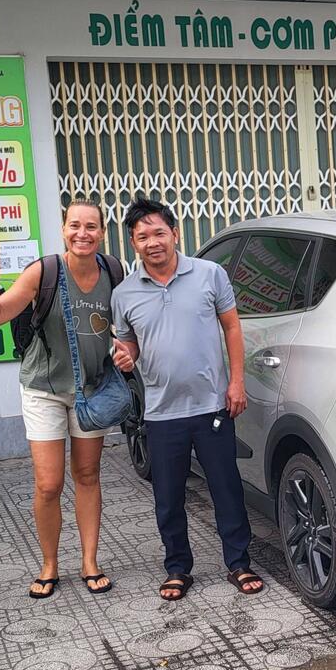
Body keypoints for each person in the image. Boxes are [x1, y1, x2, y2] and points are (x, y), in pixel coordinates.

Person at [112, 196, 264, 602]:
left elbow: (232, 328)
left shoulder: (210, 274)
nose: (152, 242)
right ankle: (177, 568)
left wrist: (236, 383)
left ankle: (239, 563)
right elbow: (129, 349)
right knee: (168, 497)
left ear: (175, 234)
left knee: (226, 488)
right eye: (142, 236)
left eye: (159, 232)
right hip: (162, 412)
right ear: (133, 243)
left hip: (213, 405)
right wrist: (126, 357)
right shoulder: (125, 293)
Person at [0, 199, 120, 599]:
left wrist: (128, 351)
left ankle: (90, 561)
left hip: (91, 390)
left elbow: (125, 325)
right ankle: (50, 564)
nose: (83, 233)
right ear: (63, 229)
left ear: (102, 232)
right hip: (43, 390)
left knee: (88, 476)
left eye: (91, 226)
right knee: (48, 484)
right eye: (75, 225)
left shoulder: (113, 270)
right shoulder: (45, 271)